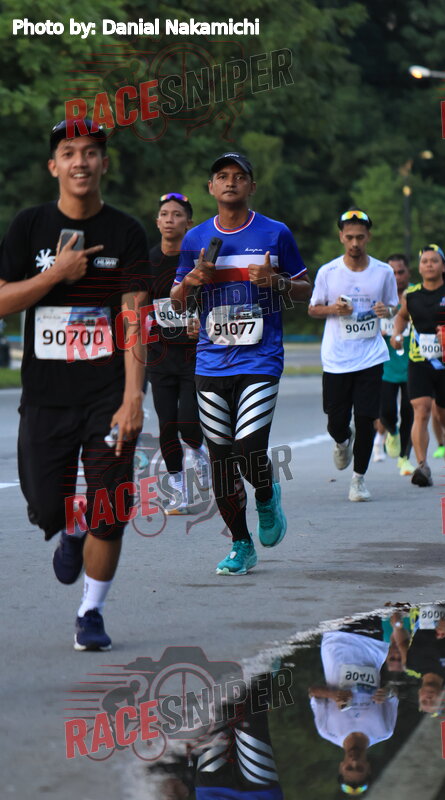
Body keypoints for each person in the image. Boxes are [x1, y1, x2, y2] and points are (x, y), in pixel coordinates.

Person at [0, 119, 149, 650]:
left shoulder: (127, 232)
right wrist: (54, 275)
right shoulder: (29, 226)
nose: (80, 161)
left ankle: (91, 612)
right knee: (46, 505)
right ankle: (68, 528)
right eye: (69, 152)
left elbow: (134, 318)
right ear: (53, 166)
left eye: (90, 152)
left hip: (108, 395)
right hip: (46, 397)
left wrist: (133, 398)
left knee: (110, 509)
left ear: (104, 163)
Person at [170, 152, 311, 575]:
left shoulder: (276, 233)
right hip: (211, 363)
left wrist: (277, 282)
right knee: (221, 458)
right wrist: (191, 281)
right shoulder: (196, 238)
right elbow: (178, 302)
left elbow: (305, 289)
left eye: (239, 176)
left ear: (252, 185)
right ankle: (241, 544)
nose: (230, 182)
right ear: (211, 188)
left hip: (260, 359)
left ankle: (266, 496)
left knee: (249, 449)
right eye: (222, 176)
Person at [308, 209, 398, 501]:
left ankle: (358, 480)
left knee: (366, 418)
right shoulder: (329, 272)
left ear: (368, 237)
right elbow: (313, 308)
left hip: (370, 356)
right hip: (336, 358)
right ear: (341, 237)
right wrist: (334, 309)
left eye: (360, 237)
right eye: (350, 237)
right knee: (336, 420)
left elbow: (393, 306)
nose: (355, 243)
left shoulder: (383, 272)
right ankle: (342, 440)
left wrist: (386, 310)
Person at [391, 244, 445, 487]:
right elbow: (401, 317)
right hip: (418, 362)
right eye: (425, 261)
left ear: (443, 266)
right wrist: (397, 335)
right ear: (419, 267)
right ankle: (422, 466)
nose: (429, 264)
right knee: (422, 410)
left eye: (434, 261)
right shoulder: (411, 295)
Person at [147, 192, 209, 514]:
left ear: (189, 223)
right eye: (164, 214)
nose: (170, 220)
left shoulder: (197, 261)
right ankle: (177, 490)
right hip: (159, 355)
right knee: (166, 424)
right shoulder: (147, 261)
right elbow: (137, 307)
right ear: (157, 221)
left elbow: (214, 300)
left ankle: (198, 452)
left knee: (188, 421)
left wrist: (203, 322)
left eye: (177, 215)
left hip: (193, 354)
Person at [308, 621, 401, 794]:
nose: (354, 762)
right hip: (372, 645)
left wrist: (333, 695)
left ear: (341, 766)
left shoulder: (327, 731)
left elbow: (313, 692)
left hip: (336, 642)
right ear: (368, 767)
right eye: (359, 768)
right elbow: (394, 693)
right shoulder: (384, 731)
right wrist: (386, 692)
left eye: (349, 768)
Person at [377, 253, 415, 476]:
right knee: (386, 412)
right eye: (392, 273)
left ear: (408, 273)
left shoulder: (416, 296)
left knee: (410, 412)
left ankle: (405, 458)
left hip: (413, 363)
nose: (397, 277)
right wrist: (377, 332)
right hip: (385, 365)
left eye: (401, 272)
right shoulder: (378, 297)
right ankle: (392, 432)